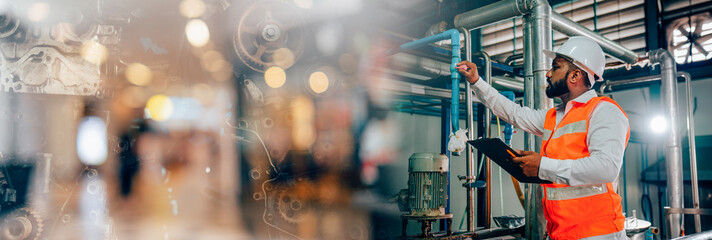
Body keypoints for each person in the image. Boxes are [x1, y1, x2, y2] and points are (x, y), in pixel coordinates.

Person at [457, 36, 629, 240]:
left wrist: (542, 166)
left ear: (575, 76)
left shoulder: (604, 111)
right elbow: (515, 114)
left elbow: (606, 168)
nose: (548, 73)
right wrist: (477, 82)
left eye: (555, 67)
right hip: (561, 233)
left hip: (598, 234)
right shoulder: (554, 117)